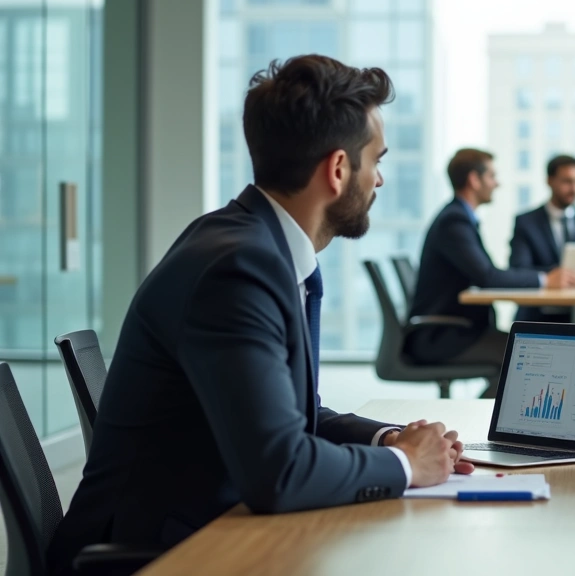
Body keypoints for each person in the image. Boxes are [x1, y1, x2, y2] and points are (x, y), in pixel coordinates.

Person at [49, 55, 472, 573]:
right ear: (339, 169)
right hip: (156, 557)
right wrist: (405, 464)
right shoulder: (238, 268)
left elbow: (293, 416)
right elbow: (280, 473)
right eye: (375, 161)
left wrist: (390, 441)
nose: (379, 180)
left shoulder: (249, 244)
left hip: (207, 531)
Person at [408, 149, 575, 391]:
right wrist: (544, 279)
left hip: (454, 330)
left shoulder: (460, 218)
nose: (496, 183)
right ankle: (485, 414)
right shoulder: (454, 222)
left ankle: (487, 412)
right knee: (527, 355)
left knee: (526, 350)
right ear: (474, 180)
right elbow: (488, 276)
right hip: (442, 336)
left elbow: (487, 274)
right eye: (491, 176)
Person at [508, 154, 575, 323]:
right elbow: (518, 269)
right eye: (567, 182)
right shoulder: (526, 222)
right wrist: (554, 276)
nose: (574, 189)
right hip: (537, 318)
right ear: (549, 181)